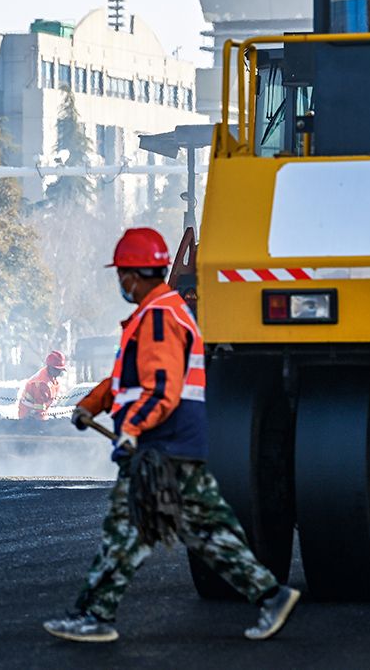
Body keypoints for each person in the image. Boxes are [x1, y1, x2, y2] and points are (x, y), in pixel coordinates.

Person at [42, 228, 300, 644]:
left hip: (162, 447)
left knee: (127, 529)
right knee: (203, 531)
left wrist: (131, 429)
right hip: (177, 445)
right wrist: (92, 404)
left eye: (122, 274)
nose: (120, 282)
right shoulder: (160, 313)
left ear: (134, 275)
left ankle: (94, 615)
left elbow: (162, 389)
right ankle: (271, 595)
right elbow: (128, 380)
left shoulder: (160, 318)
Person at [17, 350, 68, 420]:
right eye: (57, 369)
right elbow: (39, 407)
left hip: (37, 412)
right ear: (50, 367)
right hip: (29, 414)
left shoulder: (51, 377)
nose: (59, 372)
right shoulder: (42, 383)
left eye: (60, 369)